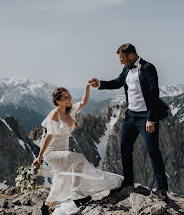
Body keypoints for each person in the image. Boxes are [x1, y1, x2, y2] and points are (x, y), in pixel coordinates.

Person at [89, 43, 169, 201]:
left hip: (146, 117)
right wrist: (100, 84)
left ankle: (162, 189)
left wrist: (151, 118)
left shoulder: (148, 68)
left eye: (122, 59)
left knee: (153, 151)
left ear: (131, 56)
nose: (120, 62)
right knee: (124, 148)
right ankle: (128, 183)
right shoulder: (127, 68)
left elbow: (154, 94)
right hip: (131, 116)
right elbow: (118, 82)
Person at [32, 81, 123, 214]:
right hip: (51, 153)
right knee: (79, 158)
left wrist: (87, 86)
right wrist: (39, 157)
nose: (69, 99)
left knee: (61, 180)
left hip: (62, 151)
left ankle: (45, 207)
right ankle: (77, 194)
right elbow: (48, 137)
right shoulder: (54, 115)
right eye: (65, 97)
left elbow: (83, 102)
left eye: (69, 96)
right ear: (58, 101)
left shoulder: (70, 111)